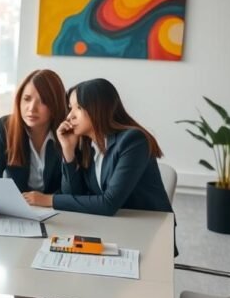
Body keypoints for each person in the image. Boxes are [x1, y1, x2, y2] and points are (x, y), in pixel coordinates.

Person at [22, 78, 173, 216]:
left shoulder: (133, 141)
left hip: (149, 229)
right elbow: (75, 195)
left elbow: (108, 204)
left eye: (78, 108)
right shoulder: (87, 145)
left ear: (99, 108)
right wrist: (68, 151)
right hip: (113, 227)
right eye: (70, 108)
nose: (69, 116)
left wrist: (48, 200)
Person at [0, 69, 68, 216]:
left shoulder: (68, 133)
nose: (31, 108)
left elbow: (73, 190)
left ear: (55, 104)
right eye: (27, 99)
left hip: (60, 215)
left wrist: (47, 199)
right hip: (16, 214)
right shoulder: (5, 127)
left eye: (43, 101)